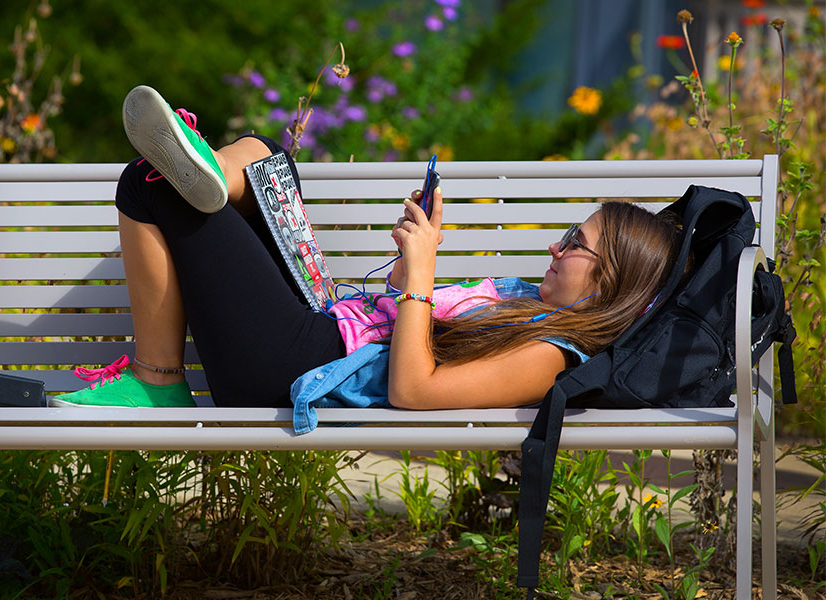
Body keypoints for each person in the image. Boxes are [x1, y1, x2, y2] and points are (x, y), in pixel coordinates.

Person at [51, 85, 684, 420]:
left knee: (146, 184)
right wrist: (413, 265)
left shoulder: (552, 356)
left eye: (576, 244)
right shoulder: (524, 303)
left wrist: (422, 279)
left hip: (294, 366)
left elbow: (412, 388)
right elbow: (419, 333)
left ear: (610, 282)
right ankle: (210, 172)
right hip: (323, 327)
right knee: (269, 159)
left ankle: (157, 381)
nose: (556, 245)